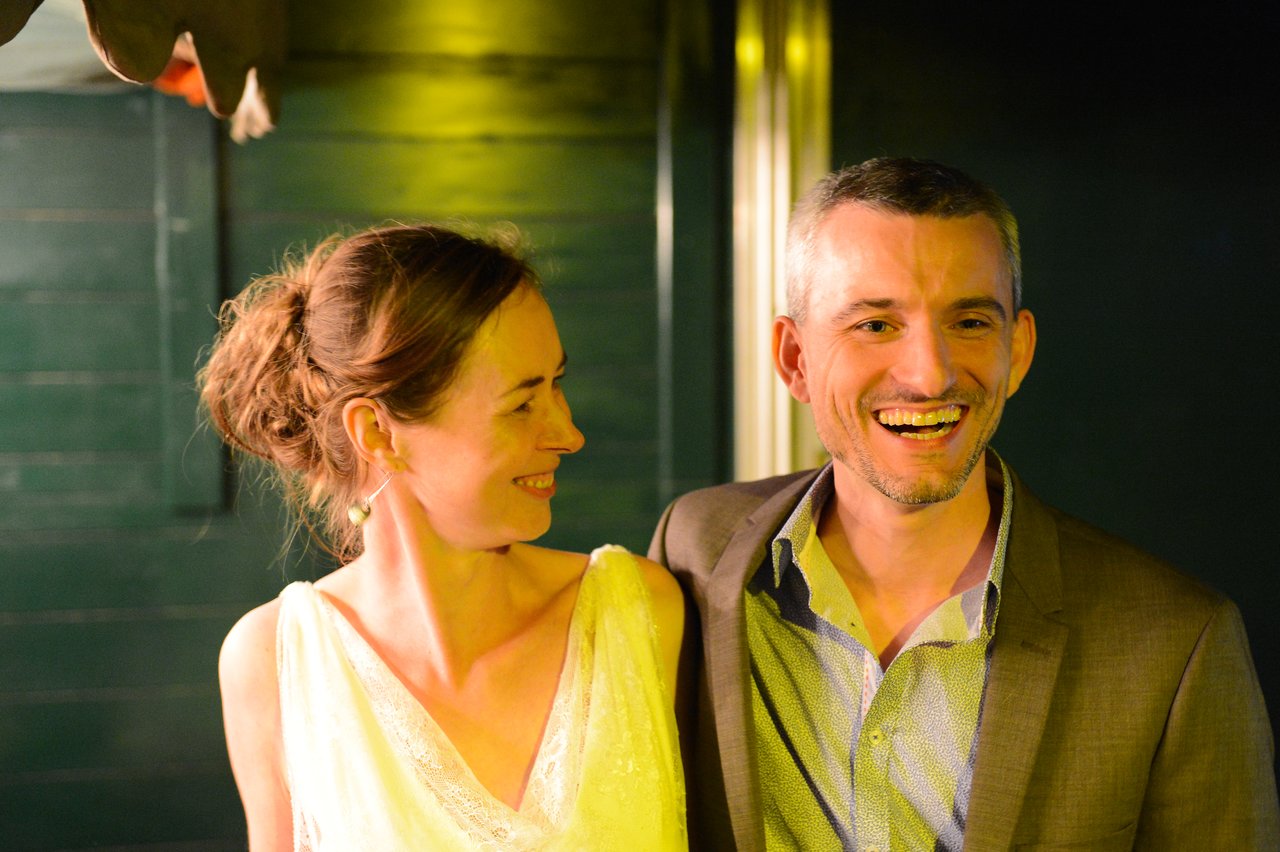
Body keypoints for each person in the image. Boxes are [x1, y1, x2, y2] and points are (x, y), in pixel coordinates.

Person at [650, 157, 1279, 850]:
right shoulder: (696, 552)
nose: (930, 375)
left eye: (971, 322)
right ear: (794, 358)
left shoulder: (1176, 643)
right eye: (876, 325)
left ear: (1020, 349)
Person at [200, 223, 687, 850]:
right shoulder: (275, 660)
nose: (568, 434)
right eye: (521, 405)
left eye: (557, 385)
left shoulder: (639, 612)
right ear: (378, 435)